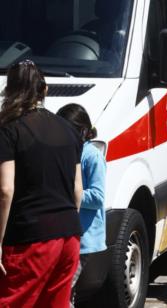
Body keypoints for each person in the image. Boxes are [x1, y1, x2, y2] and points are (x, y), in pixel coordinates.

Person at [0, 60, 83, 307]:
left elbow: (5, 190)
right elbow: (77, 190)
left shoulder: (8, 130)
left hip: (29, 239)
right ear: (44, 90)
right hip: (69, 237)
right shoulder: (69, 129)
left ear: (10, 90)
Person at [57, 104, 107, 307]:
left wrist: (70, 195)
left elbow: (98, 197)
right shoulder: (67, 152)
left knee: (65, 288)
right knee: (66, 290)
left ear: (82, 131)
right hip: (67, 234)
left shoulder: (91, 156)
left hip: (84, 239)